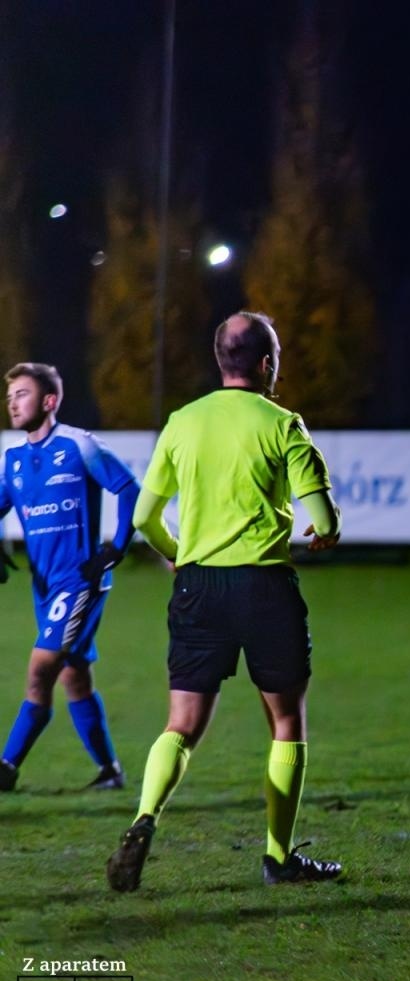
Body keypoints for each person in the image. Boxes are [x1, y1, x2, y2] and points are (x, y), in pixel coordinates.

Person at [107, 312, 345, 891]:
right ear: (266, 365)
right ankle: (277, 857)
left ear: (221, 362)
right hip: (265, 586)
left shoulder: (182, 422)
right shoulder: (284, 424)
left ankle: (144, 817)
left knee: (182, 724)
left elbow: (143, 517)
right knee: (286, 723)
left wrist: (178, 554)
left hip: (199, 588)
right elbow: (324, 521)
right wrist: (321, 536)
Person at [0, 363, 138, 792]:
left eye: (21, 394)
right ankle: (110, 773)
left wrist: (116, 547)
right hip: (44, 586)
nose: (12, 402)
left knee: (40, 670)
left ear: (49, 401)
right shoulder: (14, 459)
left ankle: (6, 767)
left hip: (80, 582)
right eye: (9, 396)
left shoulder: (80, 445)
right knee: (73, 675)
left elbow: (129, 489)